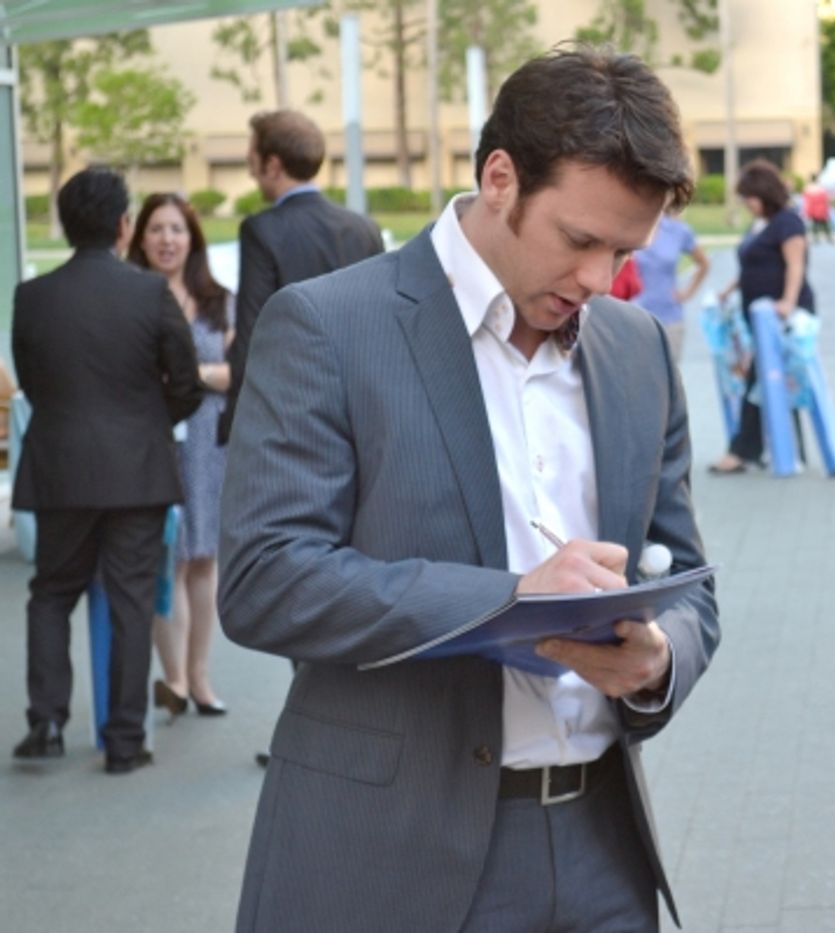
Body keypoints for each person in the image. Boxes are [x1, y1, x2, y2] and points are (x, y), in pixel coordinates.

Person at [218, 48, 719, 932]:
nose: (599, 280)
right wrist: (510, 600)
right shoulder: (329, 327)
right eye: (579, 240)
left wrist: (658, 662)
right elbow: (265, 578)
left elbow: (689, 577)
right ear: (500, 178)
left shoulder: (636, 346)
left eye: (624, 251)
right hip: (393, 856)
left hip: (607, 848)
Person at [10, 168, 203, 773]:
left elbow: (33, 382)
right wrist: (148, 418)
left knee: (50, 594)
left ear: (65, 226)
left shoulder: (32, 297)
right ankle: (123, 742)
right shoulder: (151, 295)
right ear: (124, 227)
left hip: (60, 467)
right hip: (137, 471)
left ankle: (45, 721)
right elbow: (189, 386)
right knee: (130, 601)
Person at [218, 108, 384, 446]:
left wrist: (236, 420)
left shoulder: (261, 230)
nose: (250, 170)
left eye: (252, 158)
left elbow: (253, 329)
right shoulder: (364, 229)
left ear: (273, 164)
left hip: (289, 416)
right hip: (360, 414)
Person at [128, 193, 234, 718]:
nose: (167, 239)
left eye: (177, 229)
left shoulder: (220, 300)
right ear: (139, 238)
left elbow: (239, 372)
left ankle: (199, 678)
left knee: (203, 559)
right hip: (152, 439)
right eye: (156, 229)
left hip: (209, 444)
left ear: (192, 237)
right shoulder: (129, 296)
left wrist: (190, 374)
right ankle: (171, 679)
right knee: (163, 558)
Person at [708, 159, 815, 475]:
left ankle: (742, 451)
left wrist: (787, 302)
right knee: (779, 381)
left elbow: (795, 265)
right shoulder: (760, 224)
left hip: (780, 319)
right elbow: (752, 265)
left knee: (761, 377)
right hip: (757, 318)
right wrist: (729, 289)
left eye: (749, 197)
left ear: (763, 193)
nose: (746, 203)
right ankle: (791, 448)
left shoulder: (788, 222)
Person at [632, 206, 709, 357]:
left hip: (668, 317)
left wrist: (687, 293)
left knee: (668, 377)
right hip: (632, 316)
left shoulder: (679, 231)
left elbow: (704, 264)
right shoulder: (630, 225)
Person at [801, 173, 834, 244]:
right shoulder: (821, 187)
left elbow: (806, 199)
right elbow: (826, 198)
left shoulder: (808, 188)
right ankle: (829, 237)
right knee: (824, 224)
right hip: (821, 208)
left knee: (815, 223)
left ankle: (816, 238)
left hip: (813, 208)